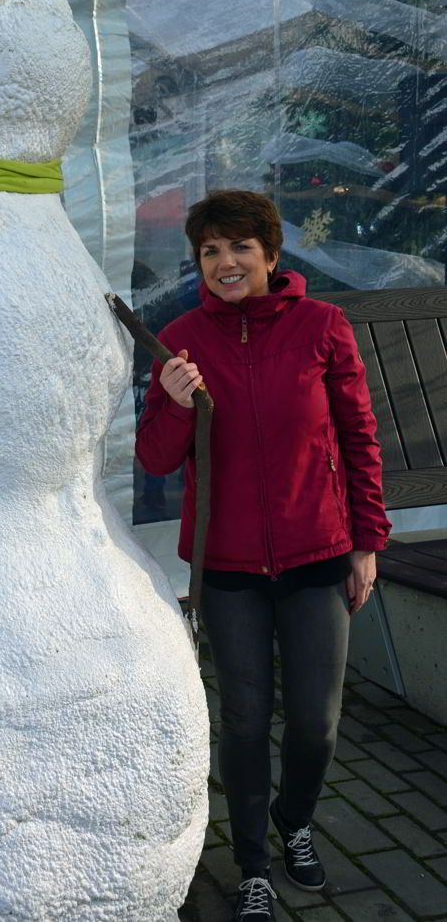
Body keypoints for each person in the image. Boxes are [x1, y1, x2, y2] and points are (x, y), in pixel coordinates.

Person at [135, 190, 390, 921]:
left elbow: (359, 437)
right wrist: (176, 400)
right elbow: (155, 458)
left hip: (318, 552)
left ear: (271, 255)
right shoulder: (181, 339)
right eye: (210, 251)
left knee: (317, 722)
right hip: (229, 566)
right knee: (245, 720)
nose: (225, 263)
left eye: (239, 247)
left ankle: (295, 819)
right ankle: (251, 864)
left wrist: (368, 540)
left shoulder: (323, 327)